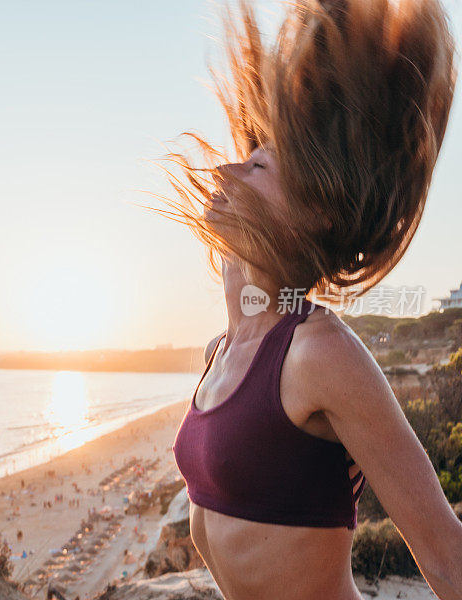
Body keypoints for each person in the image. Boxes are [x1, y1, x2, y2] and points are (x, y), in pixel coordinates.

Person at [161, 1, 462, 598]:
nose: (225, 171)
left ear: (311, 211)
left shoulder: (320, 352)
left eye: (258, 166)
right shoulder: (222, 348)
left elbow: (446, 555)